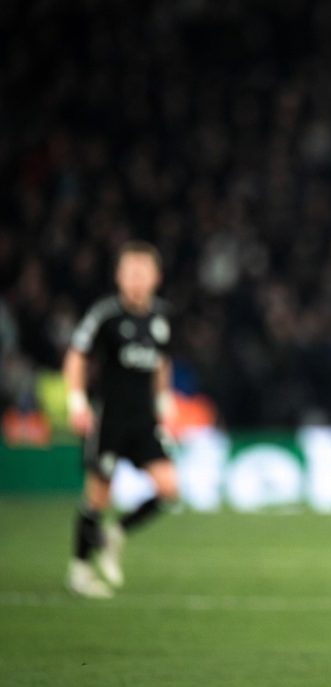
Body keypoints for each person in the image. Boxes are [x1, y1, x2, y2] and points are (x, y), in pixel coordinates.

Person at [64, 241, 178, 599]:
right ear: (118, 276)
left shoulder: (161, 318)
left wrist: (163, 400)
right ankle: (80, 570)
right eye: (130, 272)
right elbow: (77, 355)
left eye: (143, 273)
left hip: (144, 420)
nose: (136, 280)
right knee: (98, 497)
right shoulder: (106, 314)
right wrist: (76, 401)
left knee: (169, 489)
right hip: (109, 419)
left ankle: (116, 534)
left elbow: (162, 363)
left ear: (156, 277)